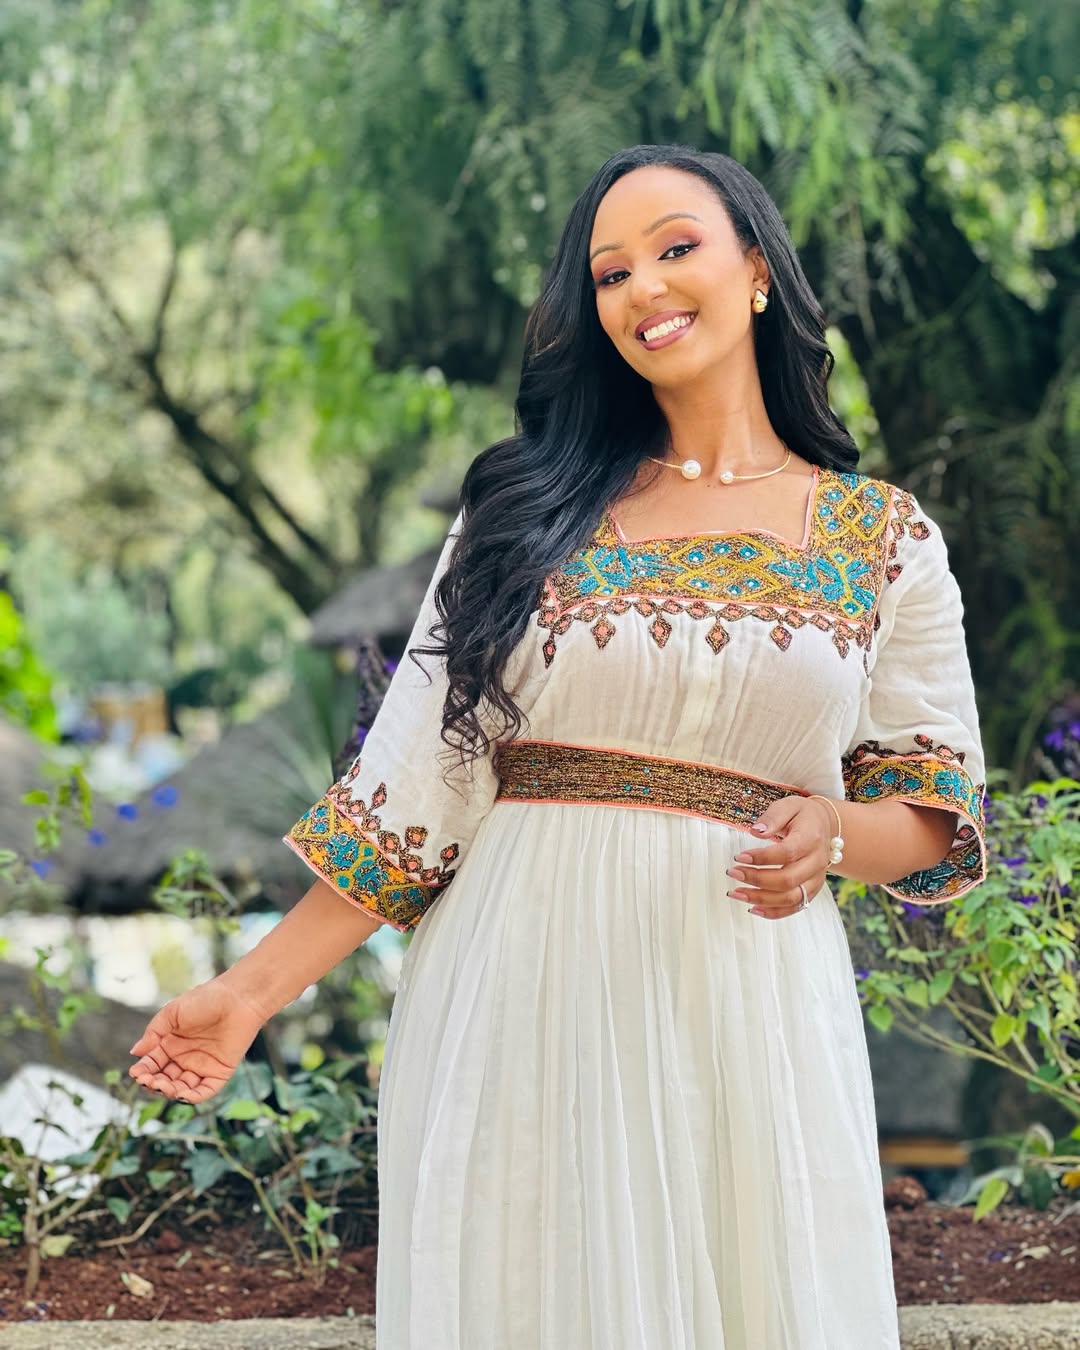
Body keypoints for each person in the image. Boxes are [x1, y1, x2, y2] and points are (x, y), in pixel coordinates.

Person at [129, 144, 987, 1349]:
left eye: (675, 248)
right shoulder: (523, 514)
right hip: (519, 985)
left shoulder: (885, 541)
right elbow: (415, 793)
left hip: (749, 1003)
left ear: (757, 272)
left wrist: (836, 834)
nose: (644, 287)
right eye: (610, 273)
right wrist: (245, 994)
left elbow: (934, 809)